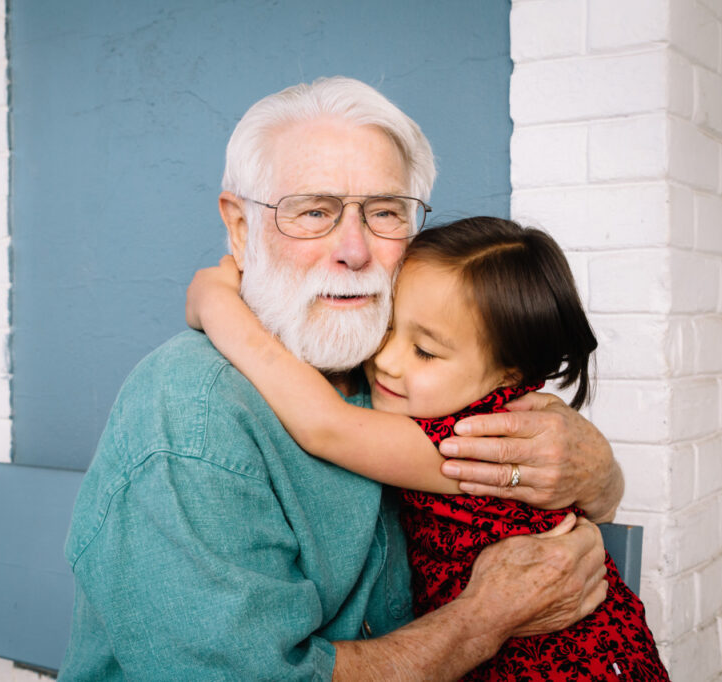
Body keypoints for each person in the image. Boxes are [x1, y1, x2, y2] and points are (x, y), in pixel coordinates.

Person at [59, 77, 623, 680]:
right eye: (314, 211)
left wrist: (600, 476)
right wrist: (486, 617)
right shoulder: (191, 413)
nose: (354, 250)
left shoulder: (403, 373)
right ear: (241, 229)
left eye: (384, 212)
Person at [186, 217, 669, 680]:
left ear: (509, 375)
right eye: (388, 326)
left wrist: (215, 302)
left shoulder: (473, 440)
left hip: (572, 663)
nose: (388, 361)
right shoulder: (467, 409)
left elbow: (324, 425)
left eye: (425, 351)